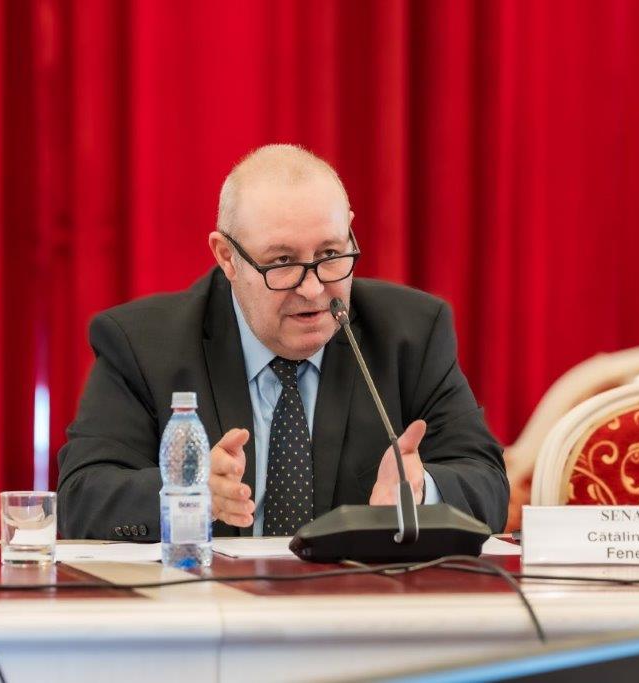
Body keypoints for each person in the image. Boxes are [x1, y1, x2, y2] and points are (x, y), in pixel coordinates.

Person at [58, 144, 507, 540]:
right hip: (206, 602)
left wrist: (420, 491)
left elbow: (487, 482)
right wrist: (186, 493)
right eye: (283, 261)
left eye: (330, 255)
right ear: (227, 257)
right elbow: (81, 498)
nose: (313, 289)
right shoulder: (142, 343)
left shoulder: (410, 333)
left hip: (359, 603)